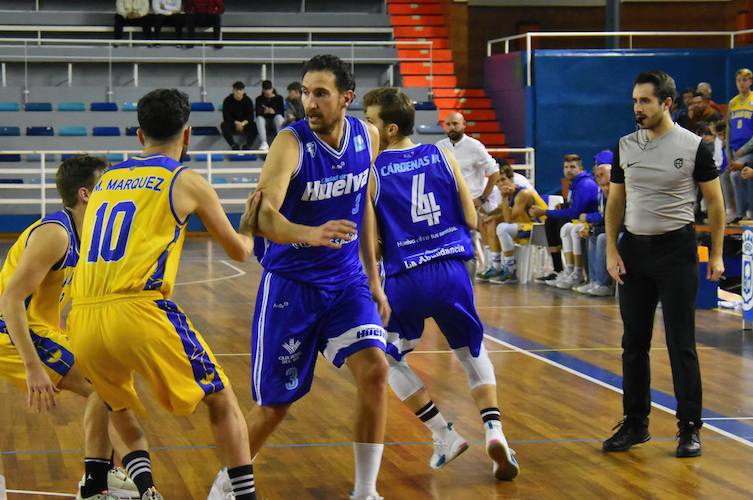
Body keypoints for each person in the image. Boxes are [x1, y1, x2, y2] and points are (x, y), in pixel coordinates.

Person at [68, 89, 260, 499]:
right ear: (186, 135)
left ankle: (136, 488)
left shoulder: (105, 181)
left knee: (113, 401)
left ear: (140, 135)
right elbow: (239, 251)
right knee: (220, 397)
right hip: (137, 308)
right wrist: (250, 224)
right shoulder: (183, 179)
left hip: (82, 313)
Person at [246, 55, 388, 500]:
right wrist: (312, 233)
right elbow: (263, 220)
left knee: (376, 372)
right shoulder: (290, 143)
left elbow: (364, 205)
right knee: (275, 405)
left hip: (346, 281)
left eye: (320, 93)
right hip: (293, 283)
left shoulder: (369, 136)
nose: (310, 101)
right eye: (306, 91)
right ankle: (226, 486)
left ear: (346, 98)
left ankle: (365, 491)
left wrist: (374, 279)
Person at [362, 86, 519, 480]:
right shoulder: (443, 155)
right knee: (470, 350)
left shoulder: (372, 172)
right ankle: (494, 429)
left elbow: (373, 246)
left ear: (390, 128)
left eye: (370, 120)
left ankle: (442, 433)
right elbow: (469, 218)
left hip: (407, 277)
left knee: (389, 358)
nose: (365, 127)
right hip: (452, 271)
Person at [0, 156, 138, 499]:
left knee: (112, 381)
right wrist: (34, 367)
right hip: (10, 327)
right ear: (86, 194)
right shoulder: (56, 234)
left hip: (39, 328)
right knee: (104, 388)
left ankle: (102, 479)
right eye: (105, 183)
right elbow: (11, 300)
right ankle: (96, 485)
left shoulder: (87, 233)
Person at [603, 70, 724, 458]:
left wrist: (717, 254)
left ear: (666, 103)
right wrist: (612, 249)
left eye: (645, 101)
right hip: (635, 252)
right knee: (633, 344)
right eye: (635, 101)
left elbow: (717, 203)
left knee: (680, 343)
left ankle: (690, 427)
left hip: (677, 253)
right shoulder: (625, 146)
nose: (637, 108)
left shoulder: (693, 146)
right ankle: (635, 423)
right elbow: (616, 201)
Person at [436, 112, 501, 278]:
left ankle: (468, 287)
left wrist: (481, 198)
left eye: (455, 124)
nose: (452, 127)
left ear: (464, 125)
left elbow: (494, 173)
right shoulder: (439, 146)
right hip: (446, 205)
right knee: (445, 245)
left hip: (468, 205)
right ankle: (450, 284)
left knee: (467, 246)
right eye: (448, 124)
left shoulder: (475, 146)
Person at [530, 154, 598, 288]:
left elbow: (576, 212)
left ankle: (576, 271)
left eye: (572, 167)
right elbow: (575, 207)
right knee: (551, 222)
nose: (568, 170)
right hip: (580, 219)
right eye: (566, 167)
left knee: (564, 226)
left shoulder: (585, 184)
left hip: (589, 221)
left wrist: (545, 211)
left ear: (580, 168)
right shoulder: (575, 183)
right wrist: (564, 206)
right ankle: (560, 269)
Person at [477, 162, 546, 284]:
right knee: (491, 222)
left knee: (503, 228)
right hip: (525, 226)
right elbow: (498, 211)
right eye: (497, 182)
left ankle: (510, 268)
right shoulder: (509, 194)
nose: (500, 184)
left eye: (503, 180)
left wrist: (504, 198)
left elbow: (509, 219)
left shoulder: (522, 194)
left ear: (511, 178)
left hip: (540, 228)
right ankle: (495, 265)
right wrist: (485, 214)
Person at [727, 68, 753, 222]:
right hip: (735, 151)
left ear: (750, 81)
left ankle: (746, 211)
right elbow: (728, 129)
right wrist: (729, 154)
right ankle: (732, 210)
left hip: (748, 150)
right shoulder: (733, 102)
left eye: (745, 80)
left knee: (740, 174)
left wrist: (743, 151)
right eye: (738, 80)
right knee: (725, 173)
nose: (741, 83)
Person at [221, 81, 257, 150]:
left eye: (240, 90)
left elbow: (251, 117)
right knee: (224, 125)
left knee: (254, 125)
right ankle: (233, 145)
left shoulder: (248, 100)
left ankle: (248, 145)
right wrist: (237, 123)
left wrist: (242, 124)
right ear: (233, 91)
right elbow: (226, 116)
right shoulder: (227, 100)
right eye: (236, 90)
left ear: (243, 91)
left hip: (245, 124)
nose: (238, 92)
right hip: (233, 123)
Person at [254, 80, 285, 151]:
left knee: (279, 117)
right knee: (259, 118)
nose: (268, 92)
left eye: (269, 89)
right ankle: (264, 142)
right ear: (263, 90)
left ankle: (281, 141)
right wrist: (265, 111)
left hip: (275, 122)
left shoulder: (279, 98)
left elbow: (282, 112)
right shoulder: (259, 99)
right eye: (266, 90)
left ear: (272, 89)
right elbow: (258, 113)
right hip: (265, 122)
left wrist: (273, 112)